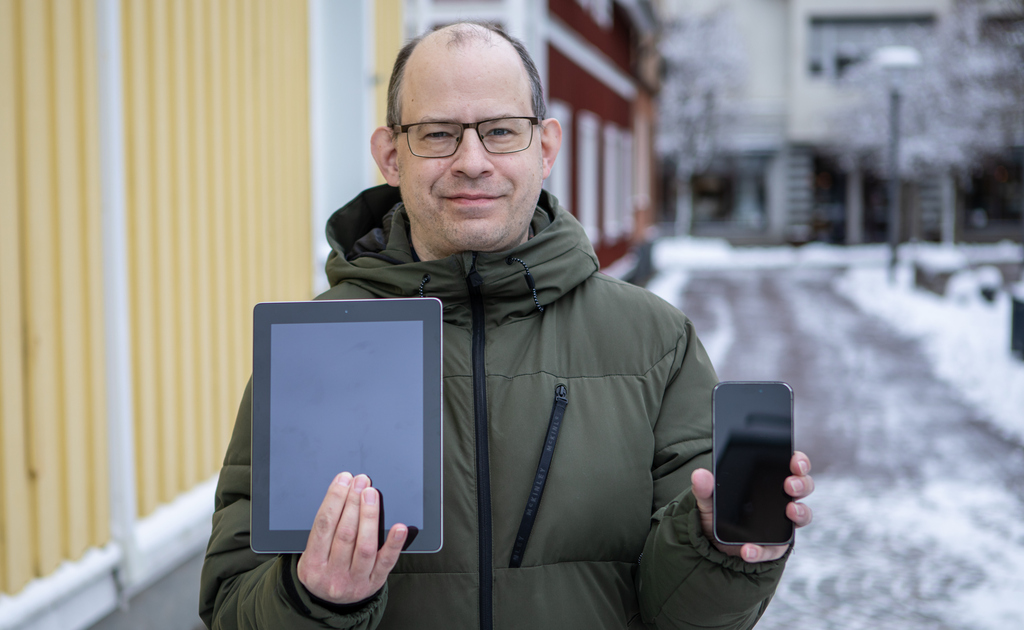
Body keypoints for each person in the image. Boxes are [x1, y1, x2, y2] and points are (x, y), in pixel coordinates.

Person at [199, 22, 814, 630]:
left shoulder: (654, 343)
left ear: (544, 148)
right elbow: (232, 606)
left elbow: (683, 618)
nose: (472, 162)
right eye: (437, 134)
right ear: (390, 155)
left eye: (500, 131)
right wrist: (312, 600)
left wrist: (715, 547)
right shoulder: (311, 347)